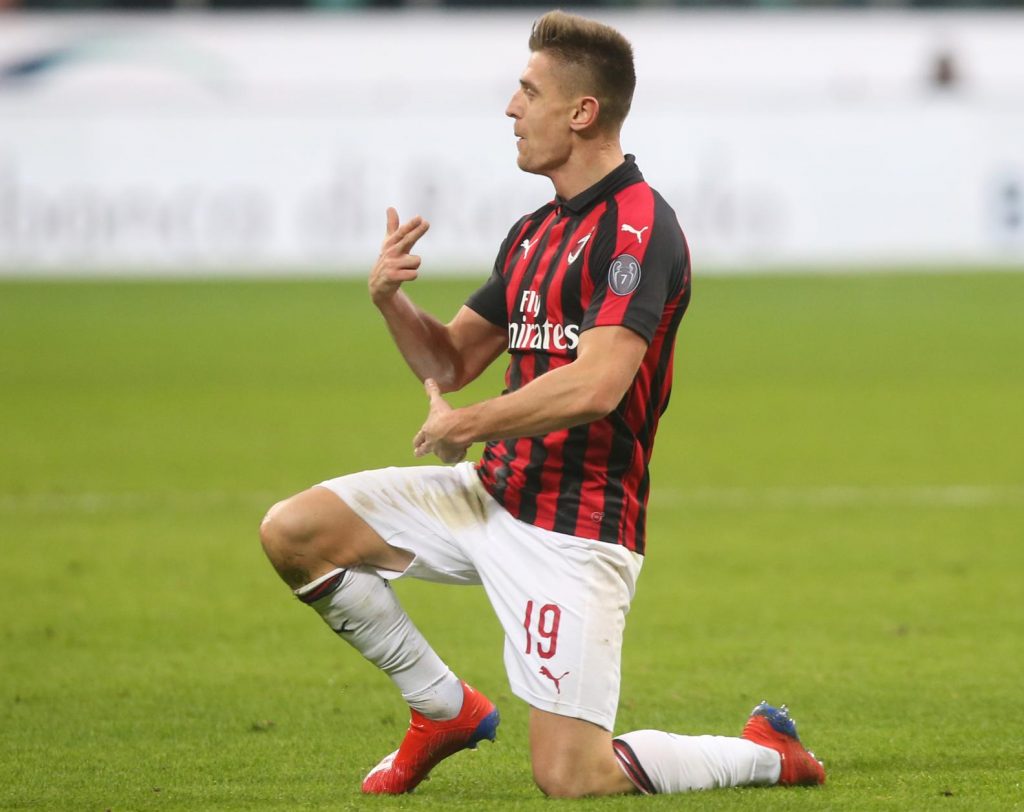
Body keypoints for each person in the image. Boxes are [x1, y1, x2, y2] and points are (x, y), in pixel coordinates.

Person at [259, 9, 825, 798]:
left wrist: (470, 423)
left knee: (572, 777)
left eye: (528, 91)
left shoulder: (639, 227)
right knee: (294, 532)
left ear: (582, 111)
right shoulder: (534, 232)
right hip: (491, 495)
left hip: (576, 527)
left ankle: (768, 754)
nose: (511, 108)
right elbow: (451, 361)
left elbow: (598, 385)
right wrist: (390, 301)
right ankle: (441, 708)